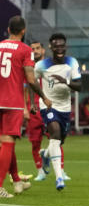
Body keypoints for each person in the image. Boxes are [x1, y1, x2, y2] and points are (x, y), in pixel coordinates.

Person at [0, 16, 51, 198]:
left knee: (6, 142)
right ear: (23, 31)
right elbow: (30, 79)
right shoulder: (25, 50)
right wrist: (43, 96)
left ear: (8, 29)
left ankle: (16, 180)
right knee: (7, 141)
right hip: (11, 101)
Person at [35, 33, 81, 191]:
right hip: (48, 105)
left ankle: (45, 155)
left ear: (65, 46)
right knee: (54, 133)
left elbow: (79, 86)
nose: (59, 49)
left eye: (62, 46)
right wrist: (40, 98)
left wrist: (65, 81)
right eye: (56, 46)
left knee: (59, 141)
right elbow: (31, 81)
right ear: (51, 47)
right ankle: (59, 178)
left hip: (65, 107)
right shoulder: (41, 65)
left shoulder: (72, 62)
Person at [27, 41, 48, 181]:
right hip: (34, 110)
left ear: (43, 50)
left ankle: (60, 170)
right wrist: (25, 108)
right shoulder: (27, 68)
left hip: (48, 107)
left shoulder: (50, 67)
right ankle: (40, 171)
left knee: (56, 138)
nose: (35, 51)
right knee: (35, 142)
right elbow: (23, 89)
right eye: (32, 49)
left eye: (37, 48)